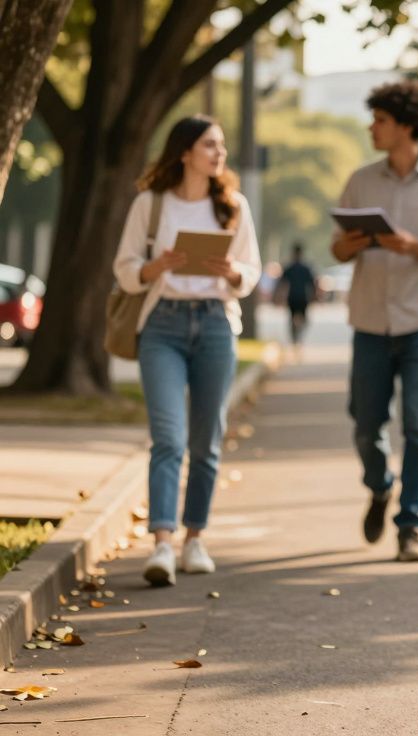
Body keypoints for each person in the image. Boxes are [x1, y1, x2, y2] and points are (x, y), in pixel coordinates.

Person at [112, 115, 262, 586]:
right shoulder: (151, 205)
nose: (218, 154)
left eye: (220, 146)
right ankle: (161, 544)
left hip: (216, 325)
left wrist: (231, 271)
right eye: (209, 145)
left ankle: (194, 538)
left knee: (206, 440)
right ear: (184, 153)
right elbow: (125, 268)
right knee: (169, 438)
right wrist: (157, 266)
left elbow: (252, 272)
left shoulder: (231, 206)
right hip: (163, 325)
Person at [330, 80, 418, 562]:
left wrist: (410, 245)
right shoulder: (360, 180)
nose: (372, 128)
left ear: (406, 126)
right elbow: (337, 246)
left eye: (380, 121)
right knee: (364, 424)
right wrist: (348, 246)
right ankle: (379, 485)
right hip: (370, 319)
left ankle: (410, 525)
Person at [276, 243, 317, 350]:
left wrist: (279, 297)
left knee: (293, 318)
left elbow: (282, 284)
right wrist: (314, 297)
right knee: (303, 319)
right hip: (302, 297)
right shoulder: (305, 268)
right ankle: (297, 338)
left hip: (293, 297)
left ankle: (295, 338)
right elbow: (312, 284)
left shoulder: (290, 268)